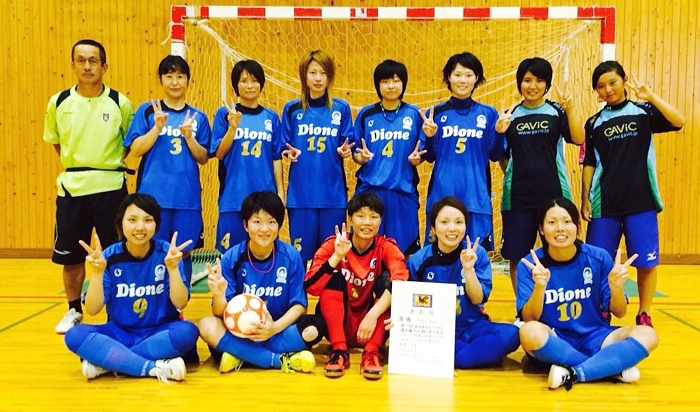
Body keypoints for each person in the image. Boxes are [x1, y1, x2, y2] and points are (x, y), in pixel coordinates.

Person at [581, 61, 686, 327]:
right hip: (604, 203)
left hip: (641, 202)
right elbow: (589, 163)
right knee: (598, 262)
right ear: (596, 91)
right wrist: (584, 199)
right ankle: (603, 308)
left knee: (646, 262)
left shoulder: (643, 112)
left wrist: (651, 97)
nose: (608, 89)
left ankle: (644, 312)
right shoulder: (593, 123)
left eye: (612, 82)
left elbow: (679, 121)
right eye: (601, 86)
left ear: (624, 81)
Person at [517, 197, 659, 390]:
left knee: (648, 334)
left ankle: (574, 373)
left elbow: (620, 312)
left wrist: (616, 287)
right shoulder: (530, 264)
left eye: (567, 221)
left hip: (596, 336)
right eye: (552, 222)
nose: (560, 228)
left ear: (577, 227)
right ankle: (607, 366)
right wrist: (540, 287)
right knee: (528, 332)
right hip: (555, 339)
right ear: (541, 229)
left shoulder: (598, 257)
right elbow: (529, 318)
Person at [44, 39, 135, 334]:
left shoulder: (120, 103)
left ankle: (117, 312)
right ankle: (74, 310)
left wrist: (103, 163)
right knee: (71, 257)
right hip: (73, 190)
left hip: (111, 189)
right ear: (72, 65)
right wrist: (80, 164)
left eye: (93, 61)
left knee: (116, 253)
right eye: (81, 60)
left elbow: (129, 144)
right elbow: (57, 144)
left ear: (104, 66)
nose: (87, 66)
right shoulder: (58, 102)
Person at [63, 193, 199, 382]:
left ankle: (110, 362)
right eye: (132, 220)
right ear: (121, 223)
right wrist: (97, 272)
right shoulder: (110, 256)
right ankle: (152, 367)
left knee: (188, 331)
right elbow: (93, 309)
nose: (140, 227)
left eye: (148, 220)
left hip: (159, 331)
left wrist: (173, 268)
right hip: (120, 332)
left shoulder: (167, 253)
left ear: (156, 224)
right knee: (74, 335)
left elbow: (180, 303)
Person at [198, 191, 318, 374]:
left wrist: (273, 328)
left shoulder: (291, 256)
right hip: (241, 334)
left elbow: (300, 306)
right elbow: (219, 312)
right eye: (257, 222)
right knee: (206, 325)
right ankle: (279, 360)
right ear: (245, 225)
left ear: (279, 225)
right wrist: (219, 294)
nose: (264, 229)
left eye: (271, 222)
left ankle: (242, 354)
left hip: (278, 329)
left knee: (315, 327)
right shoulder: (232, 257)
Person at [499, 57, 584, 295]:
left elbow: (578, 138)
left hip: (554, 196)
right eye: (527, 80)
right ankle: (522, 305)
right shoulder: (510, 115)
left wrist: (571, 110)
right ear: (519, 83)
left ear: (547, 84)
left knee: (560, 251)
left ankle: (558, 300)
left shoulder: (556, 112)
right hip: (517, 199)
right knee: (517, 256)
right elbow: (501, 156)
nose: (532, 86)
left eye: (539, 80)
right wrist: (515, 176)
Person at [123, 55, 211, 286]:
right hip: (153, 199)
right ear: (161, 79)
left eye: (180, 76)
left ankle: (180, 301)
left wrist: (189, 138)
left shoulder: (198, 117)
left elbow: (203, 158)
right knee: (151, 249)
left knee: (184, 251)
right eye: (169, 76)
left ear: (188, 80)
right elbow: (135, 150)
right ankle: (152, 298)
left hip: (186, 199)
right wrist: (156, 129)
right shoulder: (147, 111)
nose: (174, 82)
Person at [408, 196, 520, 369]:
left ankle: (452, 356)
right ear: (433, 228)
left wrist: (468, 269)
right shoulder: (418, 260)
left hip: (472, 327)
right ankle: (472, 354)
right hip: (434, 330)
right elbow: (411, 305)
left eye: (459, 222)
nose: (452, 228)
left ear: (465, 226)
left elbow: (477, 299)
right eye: (444, 222)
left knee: (512, 334)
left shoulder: (477, 254)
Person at [305, 193, 409, 380]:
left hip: (373, 325)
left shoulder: (385, 247)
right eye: (360, 216)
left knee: (387, 280)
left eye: (373, 216)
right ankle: (339, 351)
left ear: (380, 221)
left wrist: (373, 315)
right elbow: (311, 287)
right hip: (338, 323)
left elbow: (401, 280)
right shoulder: (334, 243)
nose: (367, 222)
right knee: (333, 278)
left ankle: (371, 352)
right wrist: (336, 257)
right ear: (350, 219)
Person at [420, 52, 505, 251]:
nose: (462, 80)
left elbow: (495, 155)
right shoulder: (435, 114)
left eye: (468, 75)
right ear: (448, 77)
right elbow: (430, 157)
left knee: (474, 256)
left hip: (476, 198)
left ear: (476, 78)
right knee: (439, 257)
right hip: (442, 195)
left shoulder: (488, 113)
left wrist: (500, 133)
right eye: (457, 75)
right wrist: (430, 137)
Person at [281, 50, 354, 262]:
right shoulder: (292, 109)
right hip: (301, 198)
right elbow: (283, 145)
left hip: (333, 198)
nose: (318, 78)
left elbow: (348, 143)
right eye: (313, 72)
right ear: (304, 75)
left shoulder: (341, 108)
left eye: (323, 73)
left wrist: (345, 150)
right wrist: (288, 152)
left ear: (330, 76)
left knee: (333, 259)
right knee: (300, 259)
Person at [352, 59, 425, 256]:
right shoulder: (366, 114)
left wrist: (418, 159)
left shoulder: (414, 114)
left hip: (403, 190)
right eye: (385, 81)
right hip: (370, 189)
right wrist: (360, 157)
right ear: (378, 85)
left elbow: (422, 153)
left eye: (396, 80)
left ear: (404, 84)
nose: (391, 86)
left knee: (404, 251)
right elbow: (355, 152)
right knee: (364, 247)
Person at [210, 60, 284, 253]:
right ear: (236, 85)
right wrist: (232, 128)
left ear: (261, 84)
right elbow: (219, 153)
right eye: (244, 81)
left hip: (265, 198)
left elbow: (276, 158)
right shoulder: (224, 114)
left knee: (264, 254)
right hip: (233, 198)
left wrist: (280, 193)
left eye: (254, 80)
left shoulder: (271, 118)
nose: (249, 86)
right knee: (231, 257)